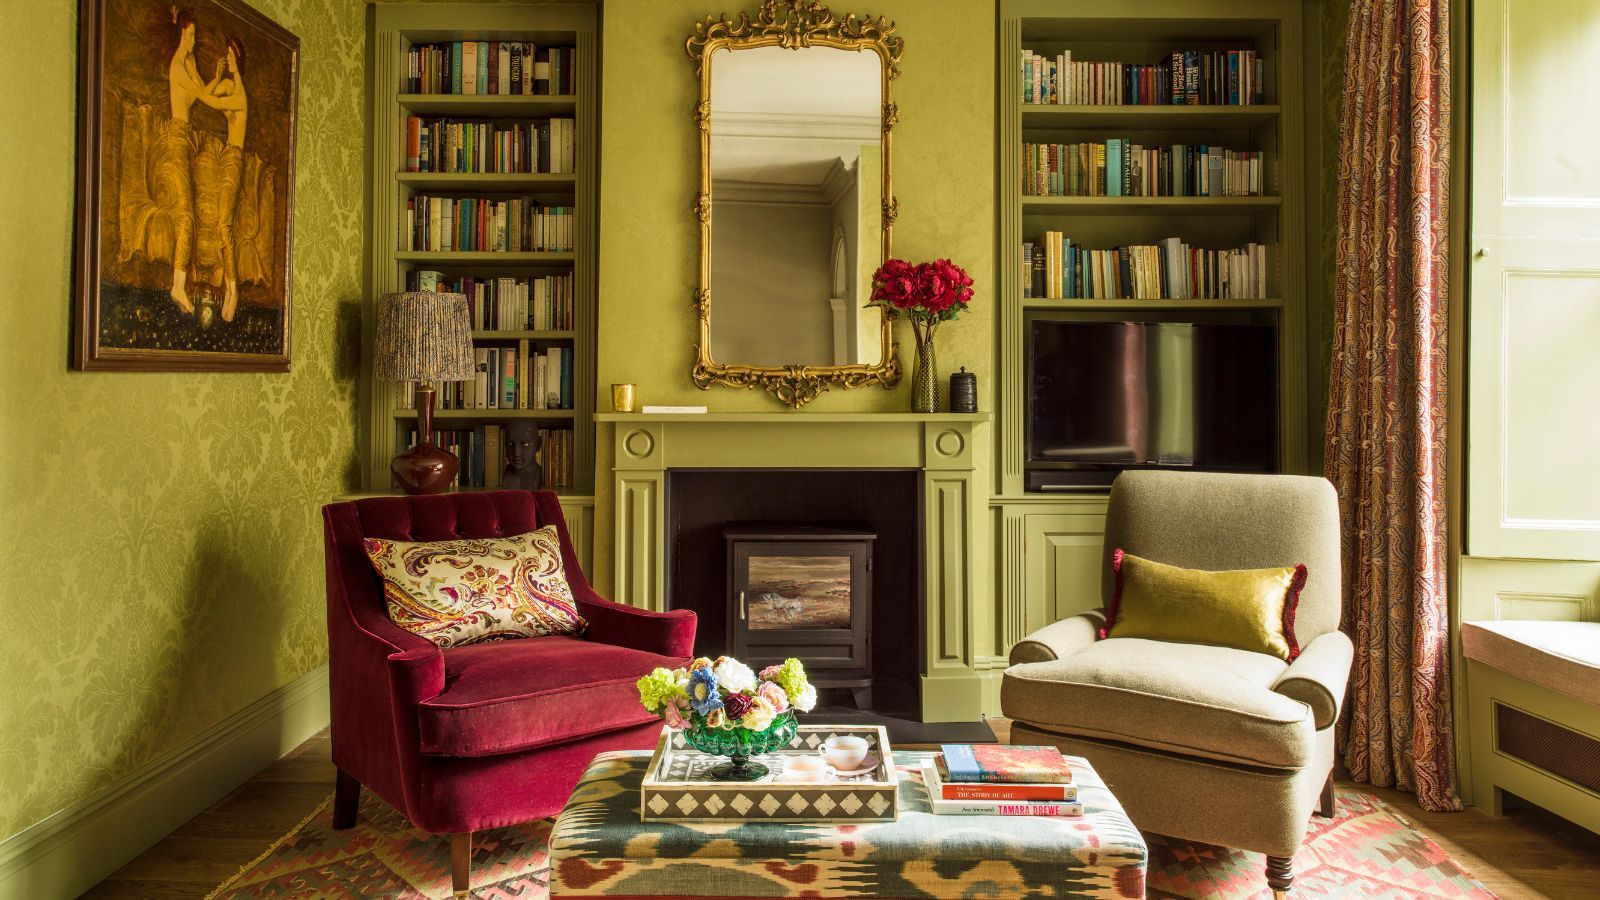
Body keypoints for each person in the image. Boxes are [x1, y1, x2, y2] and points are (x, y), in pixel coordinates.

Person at [156, 7, 207, 313]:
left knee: (192, 213)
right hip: (177, 137)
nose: (193, 40)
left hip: (186, 138)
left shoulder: (189, 61)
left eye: (194, 35)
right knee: (185, 214)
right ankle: (177, 286)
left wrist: (217, 78)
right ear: (180, 35)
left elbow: (203, 91)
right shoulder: (177, 65)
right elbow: (205, 96)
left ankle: (180, 284)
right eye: (189, 35)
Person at [200, 37, 249, 321]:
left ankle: (233, 290)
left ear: (237, 59)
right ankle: (230, 286)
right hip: (226, 157)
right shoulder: (231, 87)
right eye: (227, 55)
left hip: (234, 159)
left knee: (223, 225)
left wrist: (198, 85)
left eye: (231, 56)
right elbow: (208, 94)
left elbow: (206, 99)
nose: (228, 59)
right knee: (219, 224)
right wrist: (216, 77)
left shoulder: (240, 95)